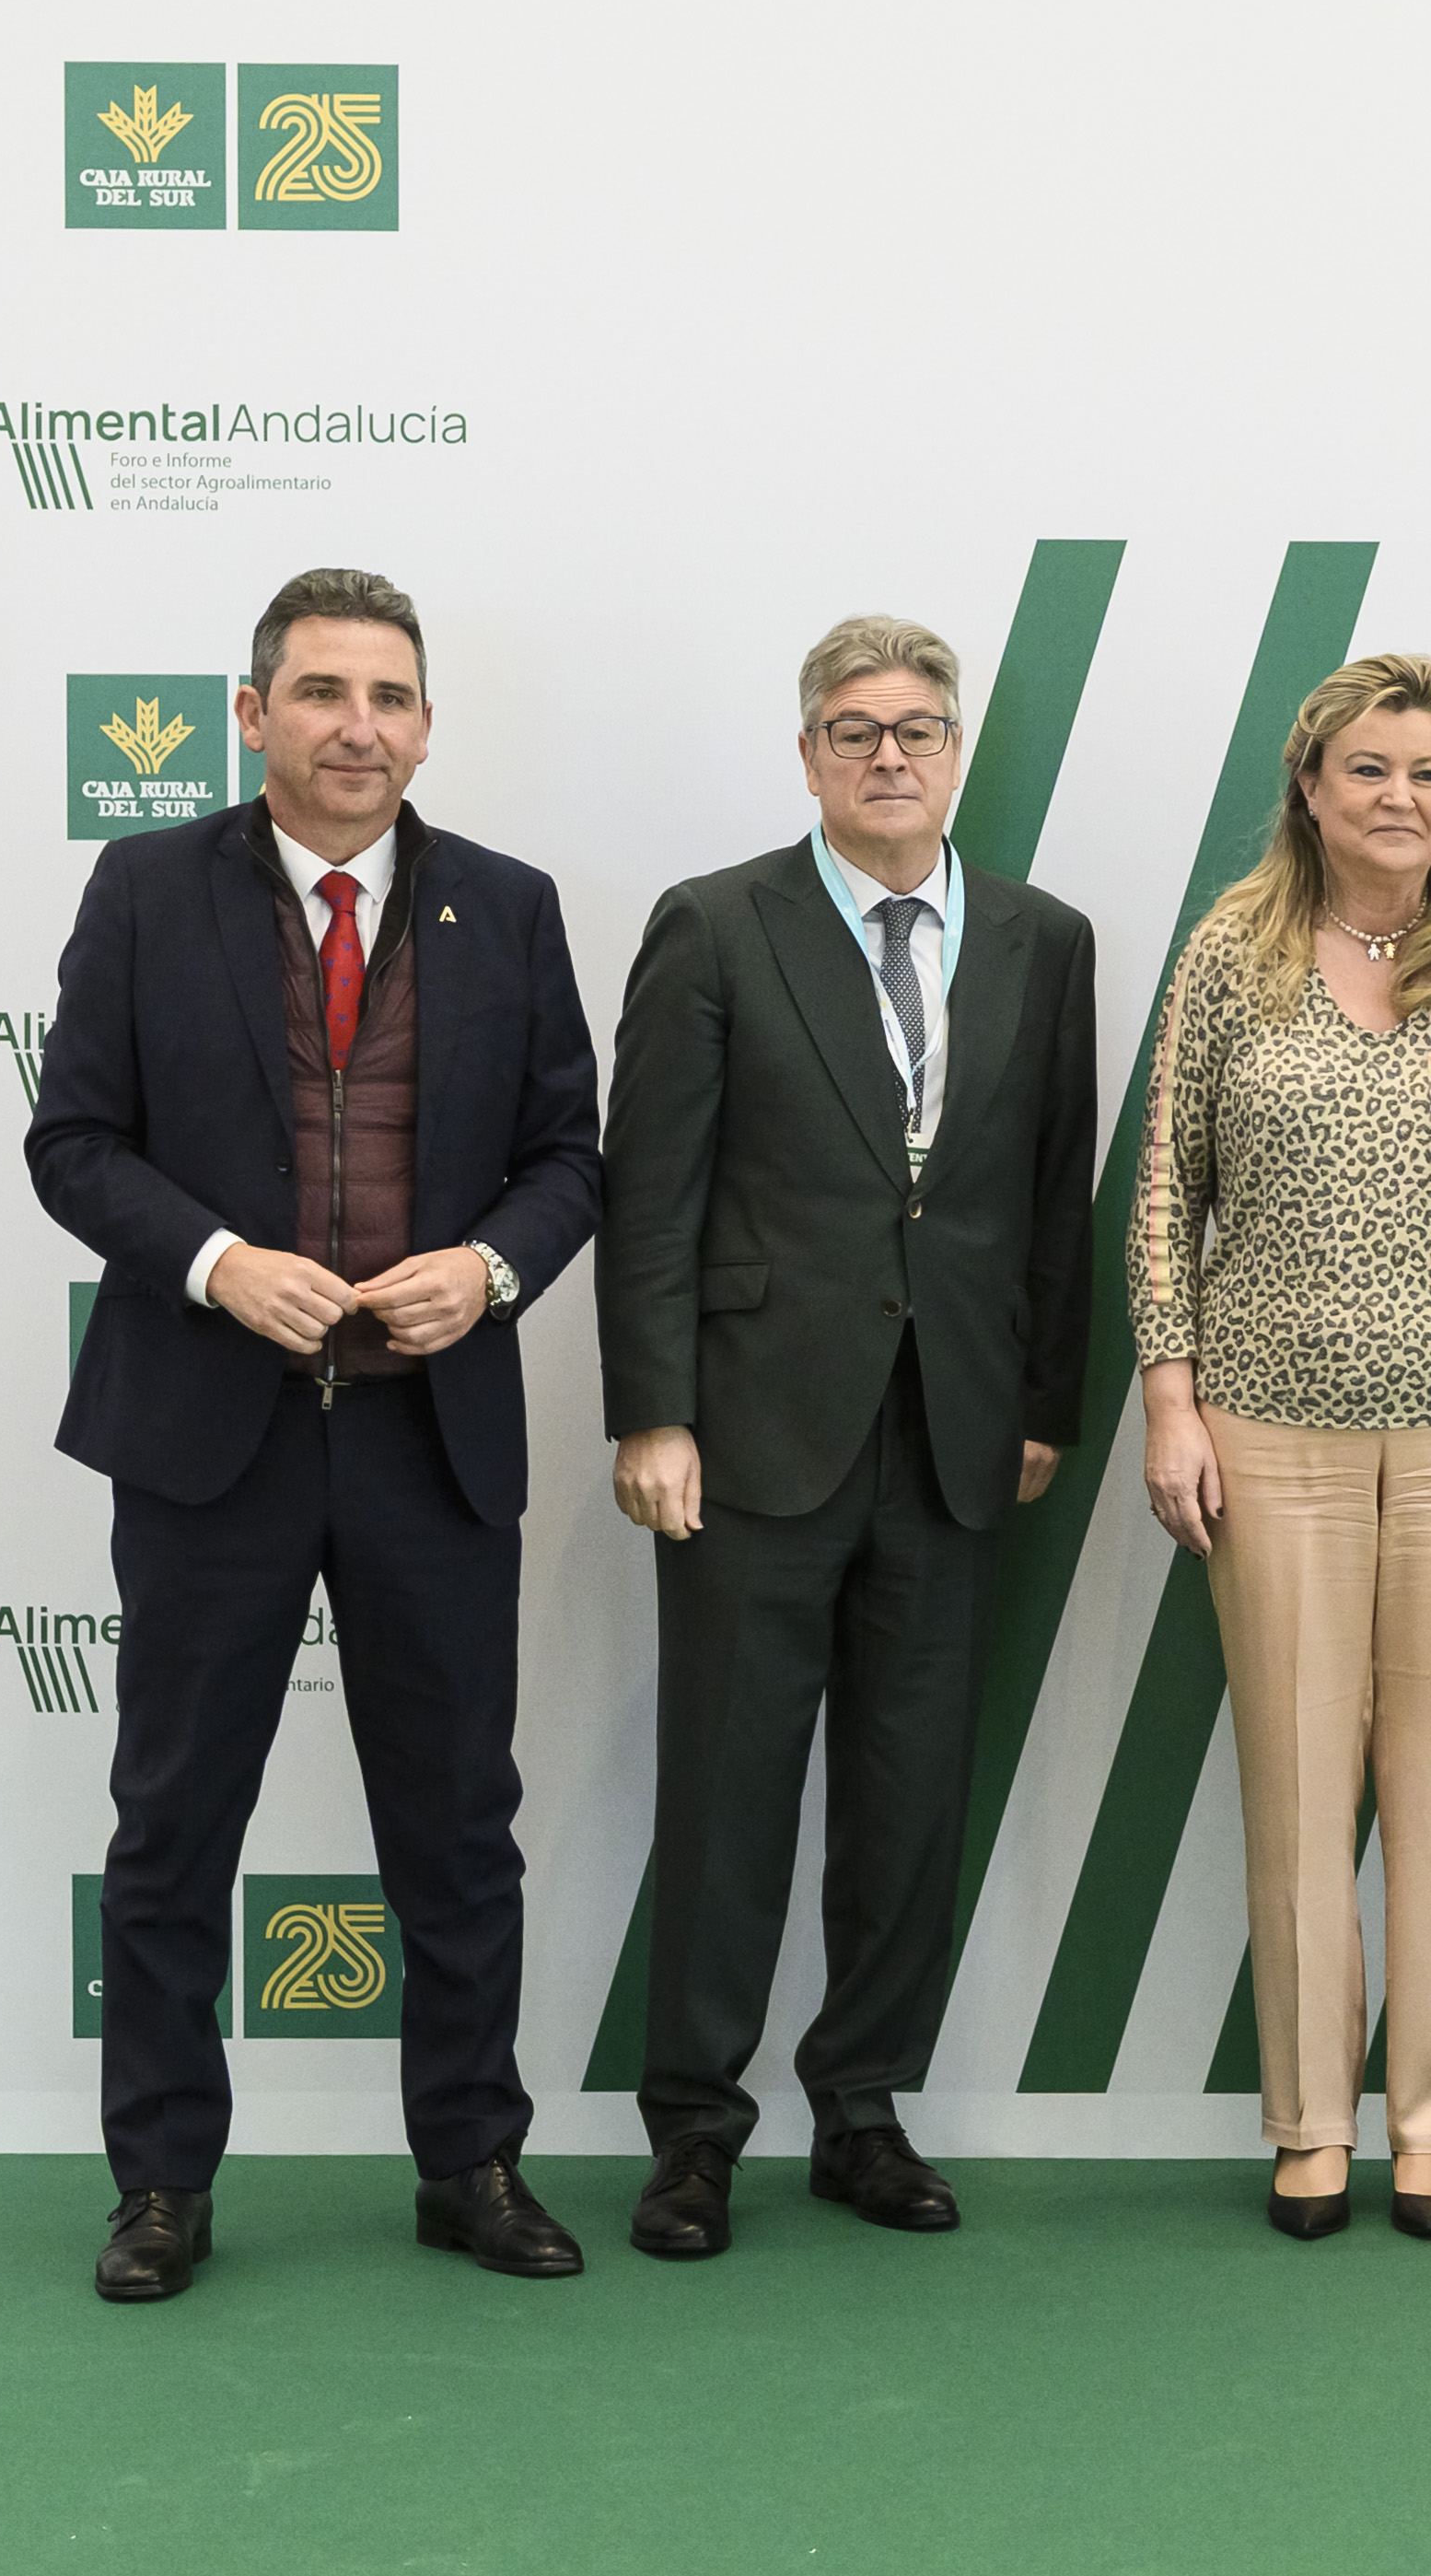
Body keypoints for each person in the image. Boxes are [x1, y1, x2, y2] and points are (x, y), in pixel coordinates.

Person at [29, 567, 604, 2301]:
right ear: (253, 713)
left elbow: (572, 1157)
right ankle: (160, 2187)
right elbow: (71, 1142)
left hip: (434, 1438)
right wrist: (214, 1263)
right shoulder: (143, 889)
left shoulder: (506, 904)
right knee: (174, 1818)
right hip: (215, 1435)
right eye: (326, 689)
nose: (362, 723)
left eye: (393, 695)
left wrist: (492, 1269)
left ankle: (473, 2160)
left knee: (457, 1827)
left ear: (426, 724)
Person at [598, 615, 1101, 2260]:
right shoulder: (716, 925)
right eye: (852, 728)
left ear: (959, 751)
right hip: (750, 1432)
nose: (889, 754)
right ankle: (694, 2132)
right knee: (730, 1786)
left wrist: (1039, 1407)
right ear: (807, 752)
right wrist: (652, 1410)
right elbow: (649, 1195)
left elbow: (1047, 1198)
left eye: (918, 728)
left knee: (911, 1794)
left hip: (953, 1435)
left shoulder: (1043, 937)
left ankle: (865, 2110)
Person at [1128, 652, 1431, 2242]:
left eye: (1426, 772)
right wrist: (1169, 1395)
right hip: (1268, 1436)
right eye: (1369, 770)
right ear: (1310, 787)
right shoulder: (1227, 956)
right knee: (1296, 1791)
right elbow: (1161, 1195)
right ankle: (1308, 2123)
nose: (1400, 798)